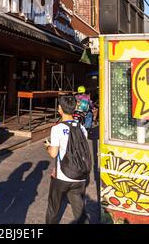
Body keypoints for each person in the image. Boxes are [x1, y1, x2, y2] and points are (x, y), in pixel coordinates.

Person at [45, 95, 89, 224]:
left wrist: (48, 146)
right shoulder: (82, 128)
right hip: (79, 176)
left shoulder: (57, 129)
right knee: (79, 210)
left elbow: (53, 154)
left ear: (59, 109)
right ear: (75, 107)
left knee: (53, 209)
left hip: (62, 177)